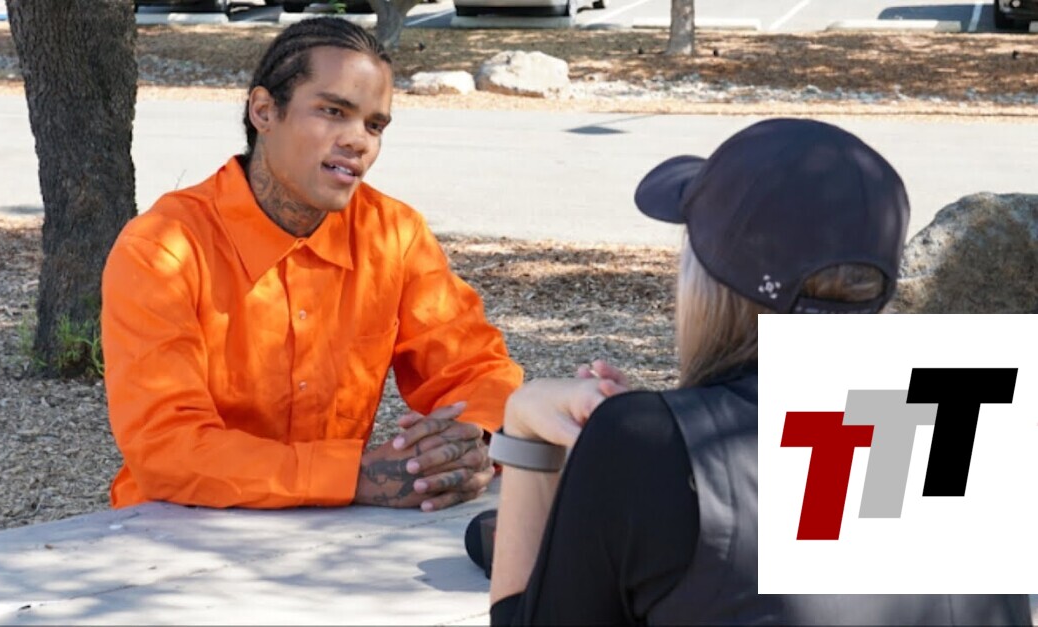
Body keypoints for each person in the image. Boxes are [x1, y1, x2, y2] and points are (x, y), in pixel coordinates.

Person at [484, 118, 1032, 624]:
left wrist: (526, 426)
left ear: (707, 282)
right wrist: (658, 436)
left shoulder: (647, 444)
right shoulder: (977, 412)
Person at [100, 18, 523, 514]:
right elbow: (167, 447)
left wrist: (466, 443)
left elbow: (476, 370)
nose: (358, 141)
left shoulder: (394, 235)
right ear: (264, 111)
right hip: (175, 526)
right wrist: (353, 477)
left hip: (339, 529)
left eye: (374, 125)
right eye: (333, 111)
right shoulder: (161, 249)